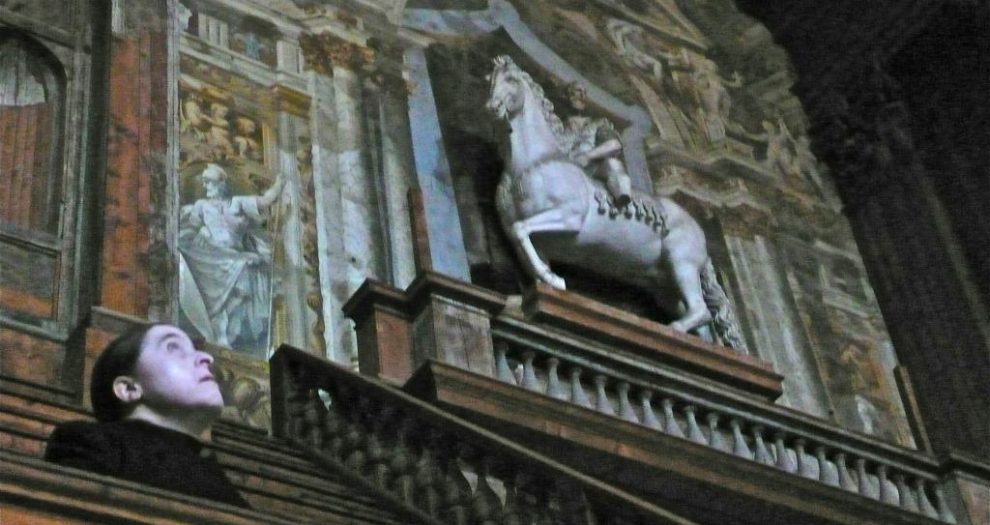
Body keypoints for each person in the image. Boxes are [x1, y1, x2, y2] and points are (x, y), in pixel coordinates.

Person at [45, 323, 249, 508]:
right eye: (173, 348)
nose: (207, 358)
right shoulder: (88, 444)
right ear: (129, 388)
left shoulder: (212, 472)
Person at [178, 163, 285, 351]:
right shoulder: (201, 206)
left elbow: (265, 201)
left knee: (245, 272)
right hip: (213, 257)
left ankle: (226, 333)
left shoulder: (238, 202)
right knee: (240, 270)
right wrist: (201, 235)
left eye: (210, 182)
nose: (206, 186)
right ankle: (218, 333)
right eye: (205, 182)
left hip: (236, 256)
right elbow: (190, 230)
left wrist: (279, 184)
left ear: (222, 183)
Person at [564, 83, 633, 207]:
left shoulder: (598, 123)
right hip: (563, 170)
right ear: (566, 96)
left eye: (584, 93)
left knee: (612, 164)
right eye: (578, 91)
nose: (582, 96)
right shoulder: (556, 127)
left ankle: (623, 205)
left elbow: (614, 145)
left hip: (590, 169)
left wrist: (587, 157)